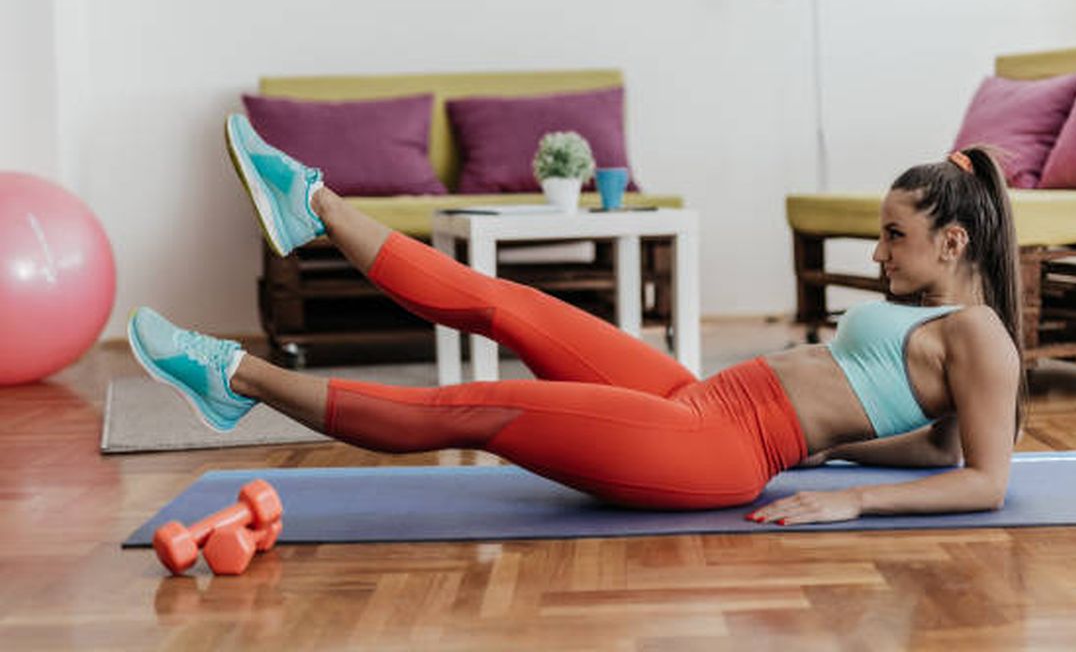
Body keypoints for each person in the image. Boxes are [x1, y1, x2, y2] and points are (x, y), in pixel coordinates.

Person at [128, 116, 1023, 525]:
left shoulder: (981, 337)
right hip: (701, 398)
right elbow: (931, 449)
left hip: (719, 447)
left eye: (894, 236)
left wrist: (851, 500)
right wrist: (833, 453)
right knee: (508, 303)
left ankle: (234, 377)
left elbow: (982, 478)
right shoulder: (931, 313)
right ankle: (312, 205)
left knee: (477, 406)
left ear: (952, 242)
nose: (878, 253)